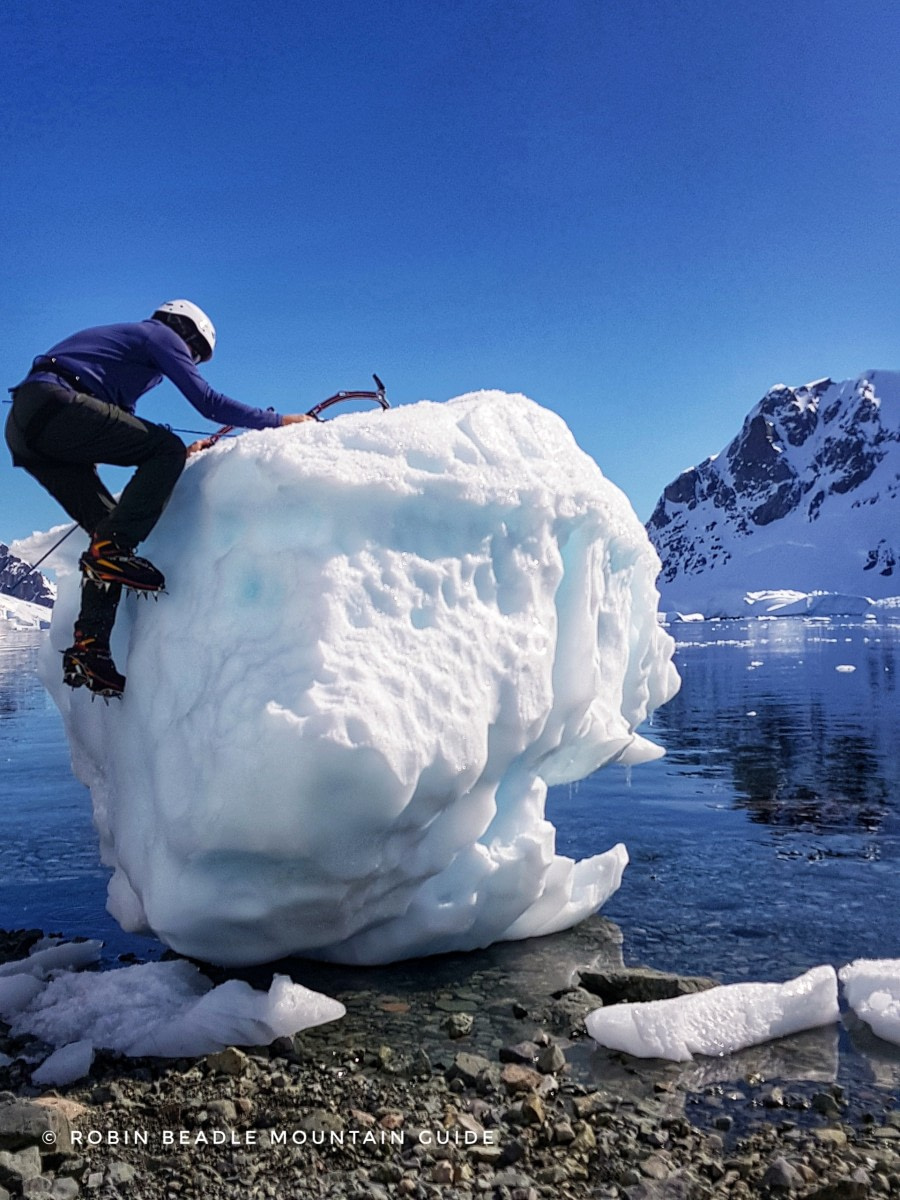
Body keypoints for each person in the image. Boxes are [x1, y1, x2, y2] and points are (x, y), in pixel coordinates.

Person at [5, 300, 312, 699]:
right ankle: (111, 558)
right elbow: (208, 402)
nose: (192, 361)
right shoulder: (159, 334)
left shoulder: (121, 354)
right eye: (195, 353)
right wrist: (278, 421)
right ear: (186, 331)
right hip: (57, 403)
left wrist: (187, 451)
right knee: (156, 466)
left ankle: (89, 649)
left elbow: (121, 431)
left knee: (107, 530)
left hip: (27, 426)